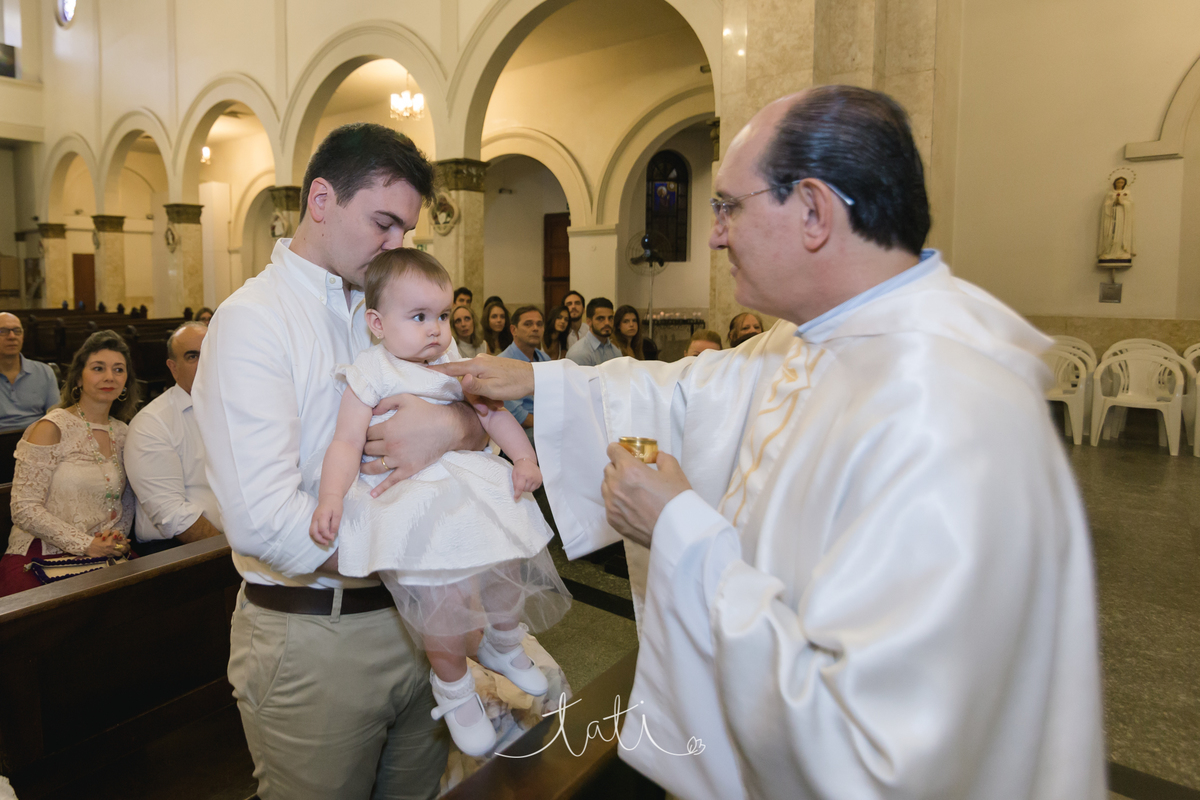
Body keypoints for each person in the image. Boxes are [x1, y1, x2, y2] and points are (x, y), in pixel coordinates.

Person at [434, 86, 1104, 799]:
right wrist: (534, 382)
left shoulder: (945, 410)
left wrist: (677, 528)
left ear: (814, 210)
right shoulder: (820, 338)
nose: (715, 234)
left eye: (729, 206)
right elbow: (688, 392)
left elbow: (878, 750)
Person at [192, 122, 477, 800]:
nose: (396, 245)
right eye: (383, 222)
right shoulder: (254, 320)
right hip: (315, 634)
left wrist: (450, 427)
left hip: (421, 623)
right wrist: (421, 548)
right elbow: (264, 522)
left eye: (405, 230)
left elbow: (480, 422)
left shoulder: (398, 303)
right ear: (321, 199)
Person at [308, 250, 569, 757]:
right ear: (377, 324)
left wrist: (523, 457)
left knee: (504, 562)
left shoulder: (454, 369)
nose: (436, 329)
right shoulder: (371, 371)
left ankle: (505, 640)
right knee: (441, 602)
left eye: (443, 316)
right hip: (413, 506)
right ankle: (453, 689)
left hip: (469, 492)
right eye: (419, 317)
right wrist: (331, 495)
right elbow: (344, 441)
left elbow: (493, 416)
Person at [0, 331, 139, 597]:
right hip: (41, 554)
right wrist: (85, 544)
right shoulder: (51, 427)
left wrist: (116, 539)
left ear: (126, 382)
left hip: (102, 554)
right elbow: (23, 508)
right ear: (78, 378)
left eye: (118, 370)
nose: (109, 377)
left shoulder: (123, 432)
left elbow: (127, 500)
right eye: (98, 368)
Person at [124, 322, 222, 555]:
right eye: (192, 356)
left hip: (240, 544)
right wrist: (231, 556)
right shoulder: (153, 423)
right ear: (173, 367)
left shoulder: (238, 409)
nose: (205, 362)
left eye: (211, 352)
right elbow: (172, 514)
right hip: (179, 552)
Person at [0, 312, 61, 430]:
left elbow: (56, 417)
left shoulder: (44, 372)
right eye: (3, 331)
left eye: (17, 331)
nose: (12, 336)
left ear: (22, 336)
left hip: (38, 439)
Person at [499, 306, 550, 445]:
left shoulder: (544, 358)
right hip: (518, 429)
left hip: (543, 421)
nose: (535, 328)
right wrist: (548, 424)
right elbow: (517, 414)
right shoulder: (503, 363)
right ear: (513, 330)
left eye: (539, 324)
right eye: (528, 324)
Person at [564, 298, 619, 366]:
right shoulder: (579, 353)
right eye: (601, 319)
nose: (607, 323)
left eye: (610, 318)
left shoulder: (616, 351)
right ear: (589, 321)